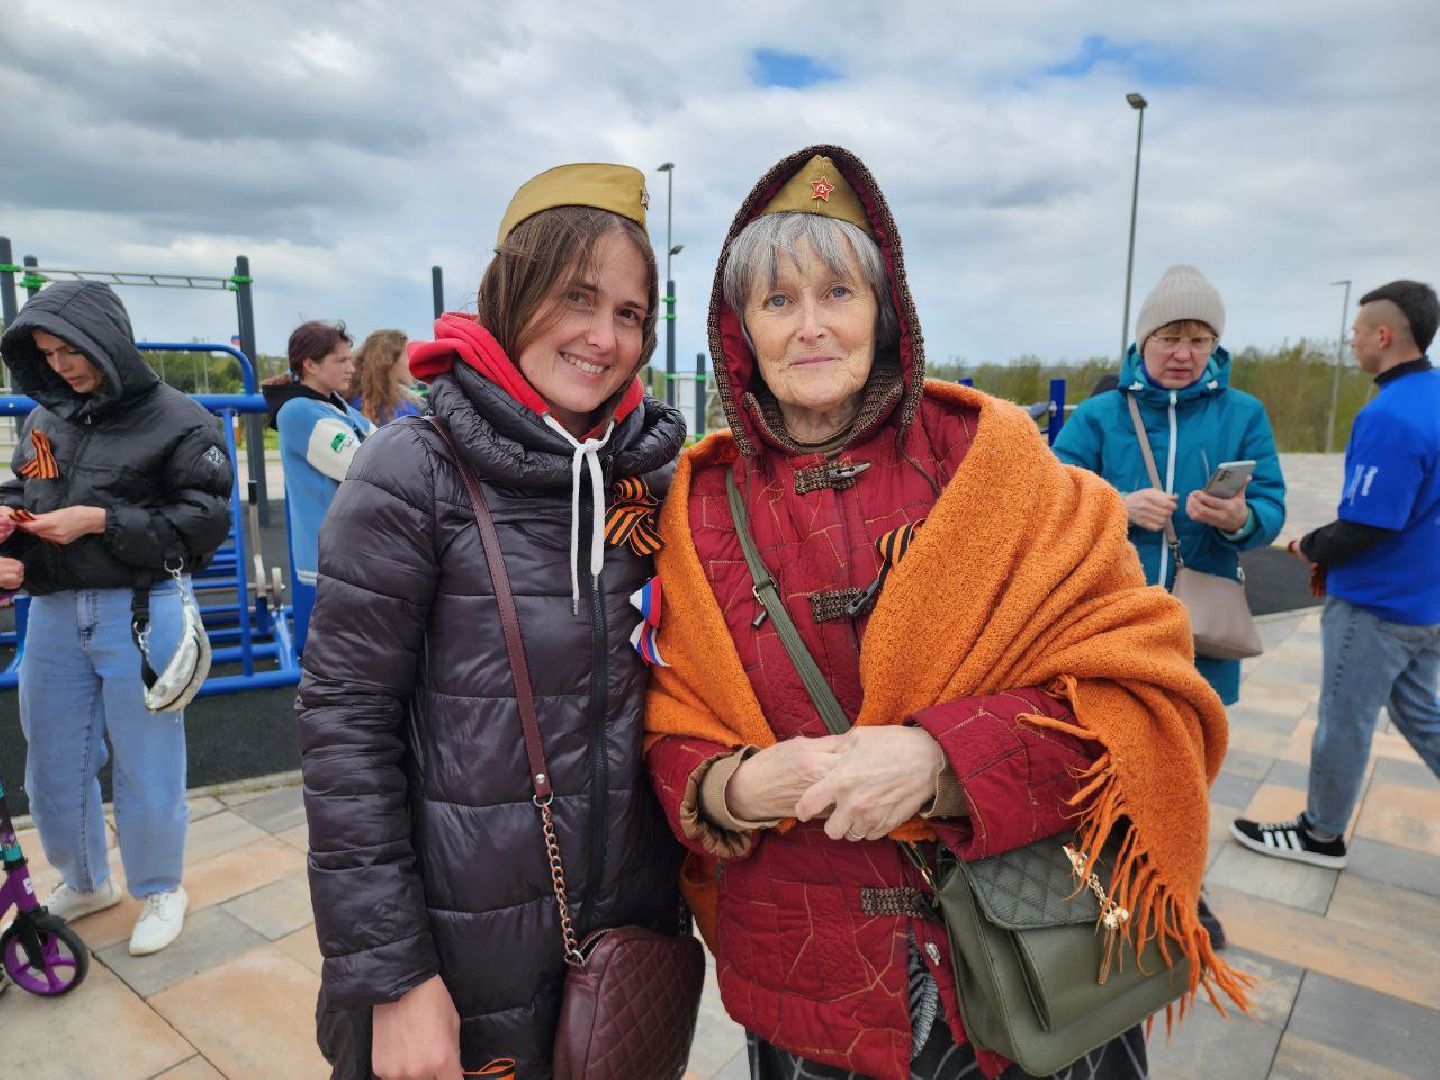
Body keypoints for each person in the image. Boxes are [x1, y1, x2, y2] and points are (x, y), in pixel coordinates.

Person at [643, 146, 1248, 1080]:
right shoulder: (696, 506)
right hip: (809, 988)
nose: (809, 326)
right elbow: (669, 717)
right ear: (740, 329)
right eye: (776, 301)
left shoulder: (996, 467)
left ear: (886, 313)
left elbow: (1141, 691)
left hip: (1032, 963)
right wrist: (727, 789)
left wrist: (944, 761)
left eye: (837, 292)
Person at [299, 163, 688, 1079]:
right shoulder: (414, 469)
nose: (603, 338)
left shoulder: (656, 476)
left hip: (621, 948)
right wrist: (393, 978)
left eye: (629, 314)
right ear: (513, 294)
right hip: (455, 956)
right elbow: (345, 730)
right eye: (577, 298)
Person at [0, 282, 232, 956]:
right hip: (49, 613)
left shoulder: (184, 419)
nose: (63, 364)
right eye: (47, 353)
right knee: (49, 762)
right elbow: (27, 484)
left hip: (141, 609)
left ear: (110, 338)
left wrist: (100, 521)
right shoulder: (44, 418)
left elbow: (205, 522)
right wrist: (9, 516)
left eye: (72, 349)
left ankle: (161, 887)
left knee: (148, 762)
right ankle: (86, 878)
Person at [1233, 280, 1440, 868]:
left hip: (1377, 605)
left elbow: (1370, 523)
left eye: (1355, 332)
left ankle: (1320, 834)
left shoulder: (1389, 417)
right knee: (1421, 712)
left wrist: (1310, 544)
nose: (1350, 343)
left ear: (1383, 335)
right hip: (1426, 601)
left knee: (1344, 722)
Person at [1053, 265, 1286, 708]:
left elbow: (1270, 506)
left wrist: (1242, 519)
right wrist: (1120, 506)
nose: (1184, 354)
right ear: (1144, 342)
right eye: (1170, 338)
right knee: (1111, 742)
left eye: (1199, 341)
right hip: (1113, 615)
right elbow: (1053, 496)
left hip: (1202, 624)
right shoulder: (1100, 415)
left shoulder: (1244, 414)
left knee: (1194, 752)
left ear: (1215, 345)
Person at [261, 321, 373, 653]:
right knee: (342, 662)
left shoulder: (333, 403)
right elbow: (366, 465)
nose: (351, 368)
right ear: (310, 364)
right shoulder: (298, 410)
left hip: (354, 555)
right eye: (341, 360)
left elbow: (384, 446)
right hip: (332, 562)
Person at [351, 328, 423, 426]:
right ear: (389, 362)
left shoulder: (353, 403)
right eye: (408, 356)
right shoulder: (398, 410)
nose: (412, 362)